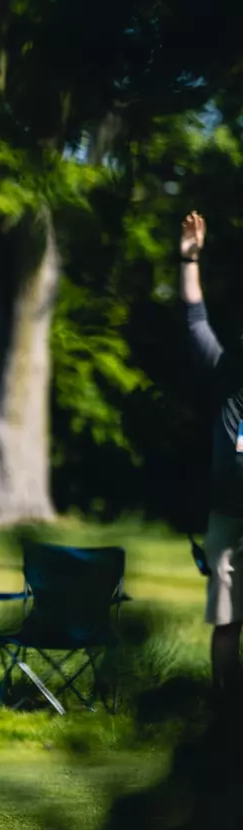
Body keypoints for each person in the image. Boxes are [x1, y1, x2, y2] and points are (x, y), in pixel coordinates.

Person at [180, 210, 243, 699]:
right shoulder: (226, 376)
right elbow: (195, 314)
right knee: (226, 619)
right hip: (227, 514)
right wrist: (191, 259)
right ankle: (223, 707)